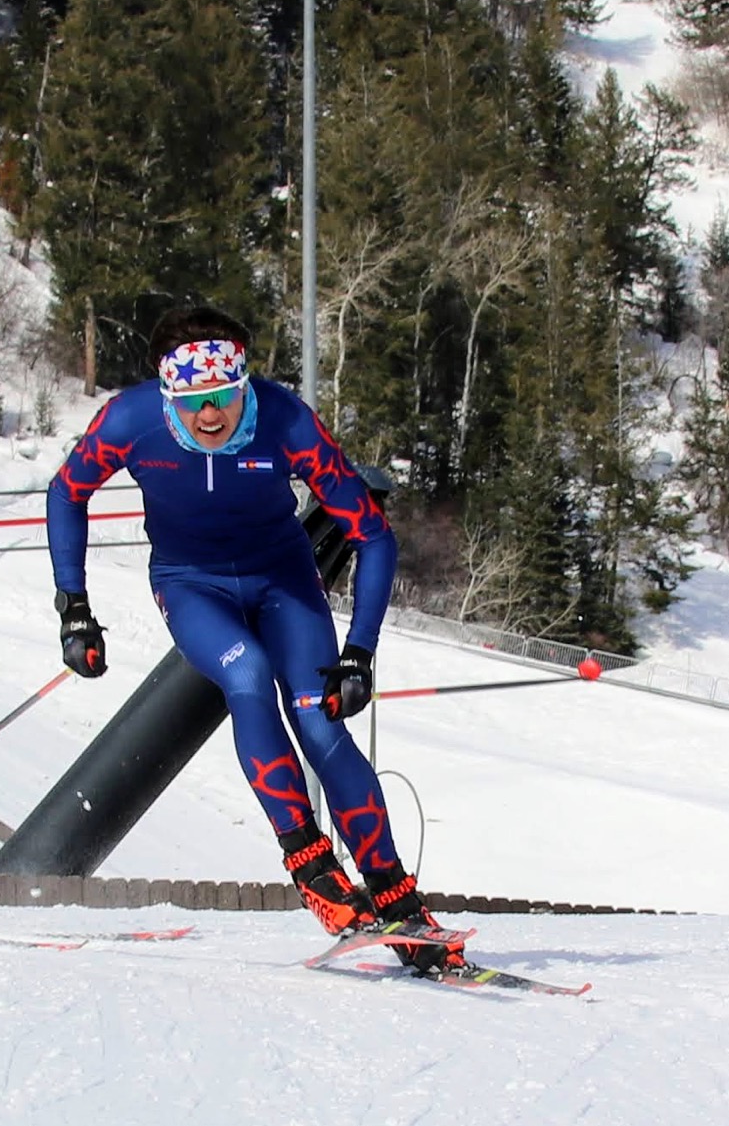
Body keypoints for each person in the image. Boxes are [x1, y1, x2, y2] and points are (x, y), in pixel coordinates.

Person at [45, 303, 464, 974]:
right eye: (191, 402)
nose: (209, 415)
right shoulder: (130, 420)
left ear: (244, 385)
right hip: (190, 583)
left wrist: (358, 649)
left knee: (322, 724)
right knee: (246, 675)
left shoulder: (283, 418)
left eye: (223, 398)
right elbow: (66, 492)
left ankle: (398, 901)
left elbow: (373, 535)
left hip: (282, 579)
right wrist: (73, 606)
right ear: (166, 394)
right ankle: (310, 863)